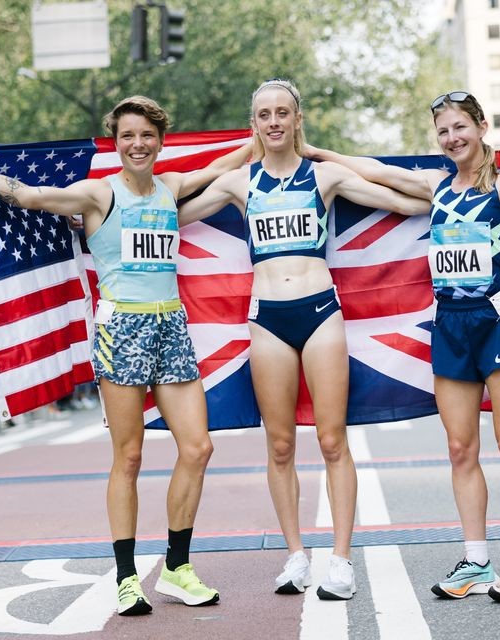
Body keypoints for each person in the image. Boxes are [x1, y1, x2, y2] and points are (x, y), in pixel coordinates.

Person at [306, 90, 500, 603]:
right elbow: (377, 170)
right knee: (459, 448)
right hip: (450, 325)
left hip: (499, 324)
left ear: (481, 127)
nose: (452, 138)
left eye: (460, 127)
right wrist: (318, 152)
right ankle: (475, 560)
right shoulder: (436, 186)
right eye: (444, 131)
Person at [0, 95, 252, 615]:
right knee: (129, 456)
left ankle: (176, 568)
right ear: (116, 142)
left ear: (160, 141)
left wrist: (265, 136)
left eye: (146, 135)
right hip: (121, 328)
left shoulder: (171, 187)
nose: (137, 144)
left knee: (198, 448)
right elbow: (29, 195)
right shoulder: (99, 193)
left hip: (171, 326)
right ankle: (126, 578)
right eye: (127, 136)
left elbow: (221, 166)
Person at [177, 78, 429, 600]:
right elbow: (169, 216)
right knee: (281, 444)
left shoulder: (324, 175)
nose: (274, 121)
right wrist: (102, 217)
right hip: (267, 318)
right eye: (264, 114)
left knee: (333, 441)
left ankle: (341, 560)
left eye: (282, 113)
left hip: (319, 313)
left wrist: (458, 191)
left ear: (297, 119)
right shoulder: (238, 182)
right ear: (254, 124)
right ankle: (296, 555)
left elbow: (406, 202)